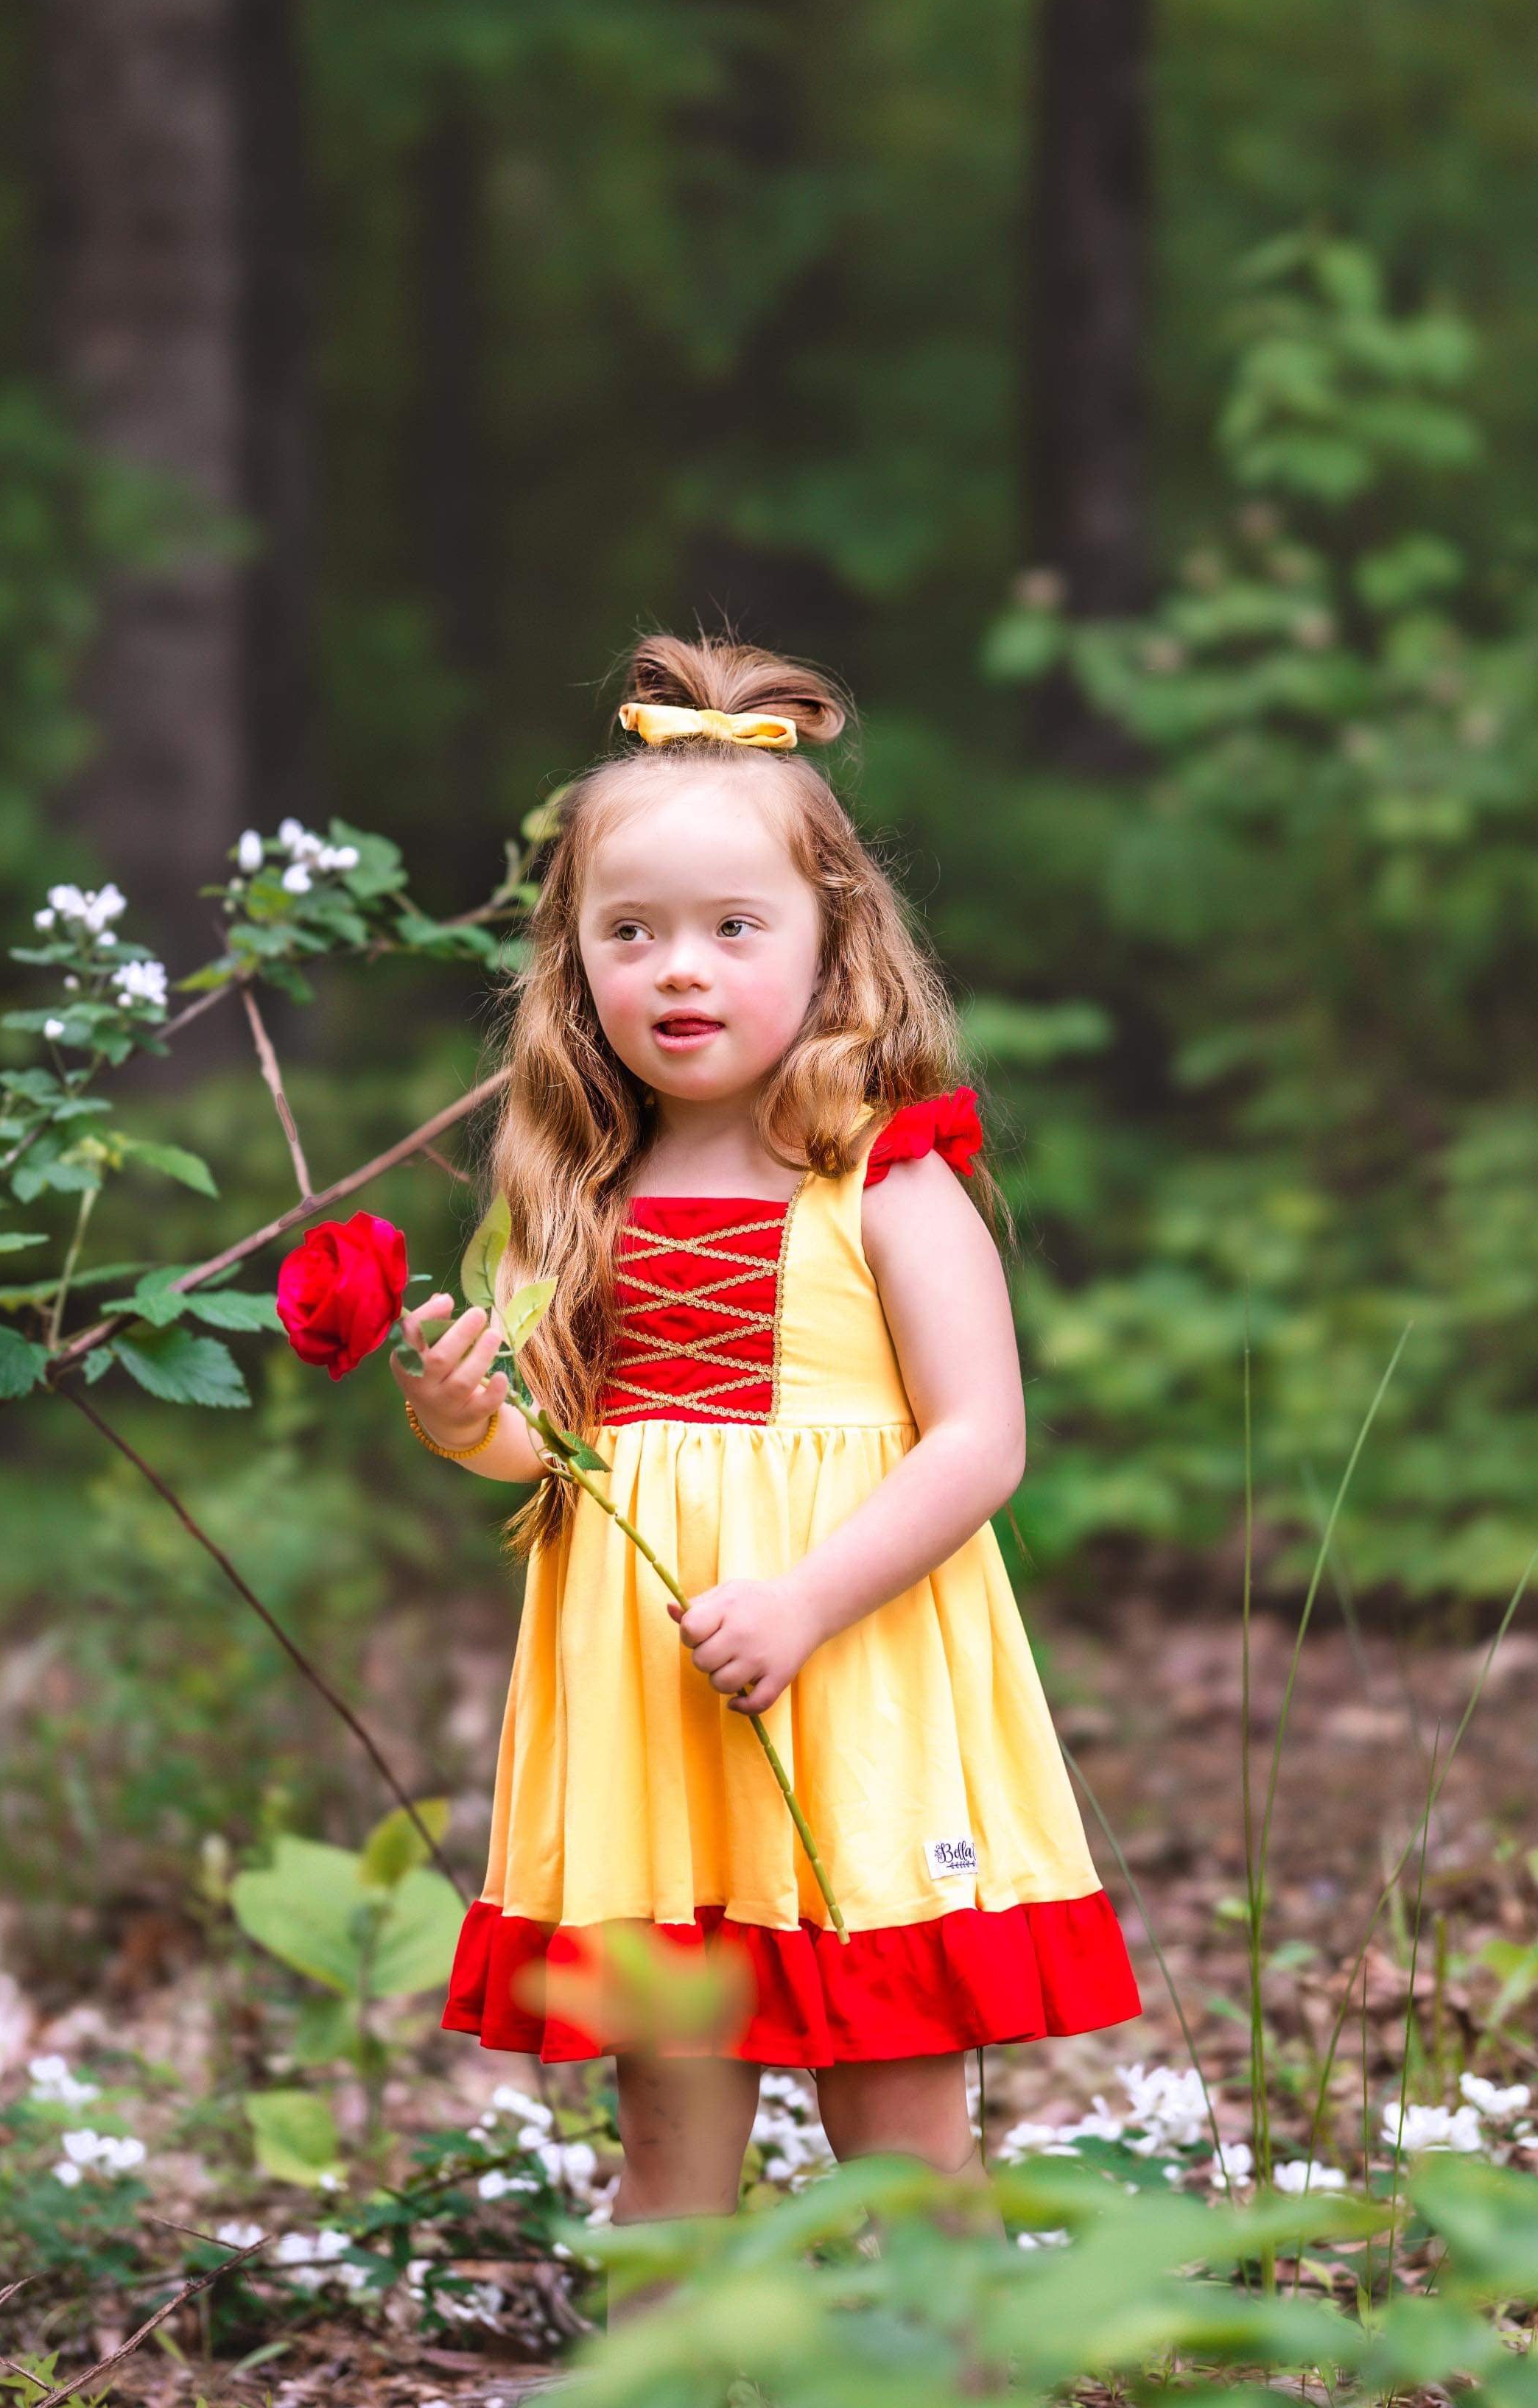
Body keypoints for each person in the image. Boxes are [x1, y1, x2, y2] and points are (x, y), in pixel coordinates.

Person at [394, 633, 1138, 2219]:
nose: (681, 967)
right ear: (572, 956)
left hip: (851, 1661)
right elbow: (559, 1449)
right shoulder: (570, 1195)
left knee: (896, 2076)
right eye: (632, 930)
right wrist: (473, 1421)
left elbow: (978, 1440)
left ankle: (936, 2362)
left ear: (830, 943)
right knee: (671, 2113)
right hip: (659, 1691)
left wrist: (803, 1597)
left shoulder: (886, 1178)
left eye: (735, 927)